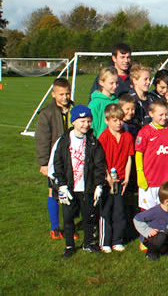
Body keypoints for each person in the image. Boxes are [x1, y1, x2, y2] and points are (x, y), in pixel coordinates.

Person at [52, 105, 106, 258]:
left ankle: (88, 243)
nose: (85, 124)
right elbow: (58, 163)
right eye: (82, 121)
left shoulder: (93, 142)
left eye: (88, 121)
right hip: (69, 187)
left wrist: (99, 185)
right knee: (68, 218)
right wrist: (61, 184)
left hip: (86, 187)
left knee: (89, 216)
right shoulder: (64, 141)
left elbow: (99, 165)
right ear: (73, 122)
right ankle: (69, 245)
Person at [35, 78, 73, 240]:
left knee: (71, 192)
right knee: (54, 192)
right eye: (61, 94)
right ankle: (55, 227)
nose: (65, 97)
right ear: (53, 94)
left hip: (72, 158)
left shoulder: (74, 109)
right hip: (54, 160)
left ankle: (70, 226)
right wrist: (44, 163)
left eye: (67, 93)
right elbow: (42, 139)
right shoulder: (47, 113)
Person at [97, 104, 133, 253]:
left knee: (119, 211)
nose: (118, 123)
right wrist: (107, 178)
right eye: (114, 120)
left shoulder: (127, 136)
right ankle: (105, 241)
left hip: (121, 180)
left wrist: (127, 178)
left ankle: (117, 240)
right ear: (107, 121)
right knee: (106, 210)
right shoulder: (104, 137)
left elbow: (129, 158)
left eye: (120, 120)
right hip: (107, 181)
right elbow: (101, 160)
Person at [135, 100, 168, 211]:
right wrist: (140, 173)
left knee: (167, 211)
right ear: (151, 114)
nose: (164, 117)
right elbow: (139, 153)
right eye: (160, 115)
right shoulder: (145, 132)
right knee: (148, 212)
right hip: (150, 180)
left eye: (166, 114)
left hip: (167, 180)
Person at [133, 181, 168, 261]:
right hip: (154, 237)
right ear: (167, 202)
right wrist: (148, 231)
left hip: (166, 235)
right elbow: (137, 219)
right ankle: (151, 254)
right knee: (160, 237)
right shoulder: (154, 211)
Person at [88, 67, 119, 137]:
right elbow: (92, 127)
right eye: (111, 83)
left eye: (116, 83)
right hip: (100, 143)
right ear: (101, 82)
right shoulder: (95, 104)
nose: (115, 86)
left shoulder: (117, 101)